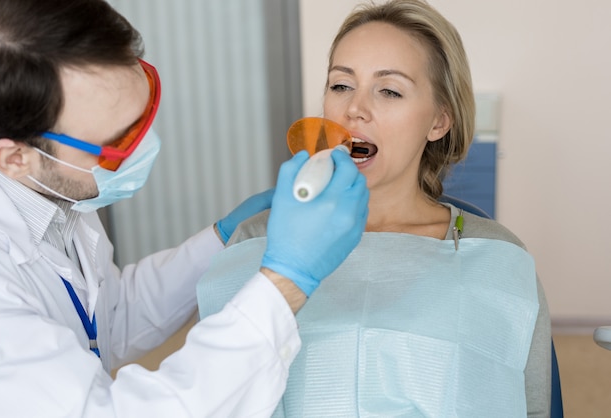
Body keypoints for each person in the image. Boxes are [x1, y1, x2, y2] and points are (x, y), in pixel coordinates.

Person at [0, 0, 369, 416]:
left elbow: (111, 314)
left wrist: (222, 238)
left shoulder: (53, 191)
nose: (146, 146)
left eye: (145, 107)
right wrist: (287, 280)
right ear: (16, 159)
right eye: (119, 145)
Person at [196, 0, 552, 416]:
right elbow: (213, 392)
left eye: (389, 90)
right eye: (341, 85)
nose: (354, 109)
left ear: (439, 121)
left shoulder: (497, 255)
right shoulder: (257, 240)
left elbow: (531, 406)